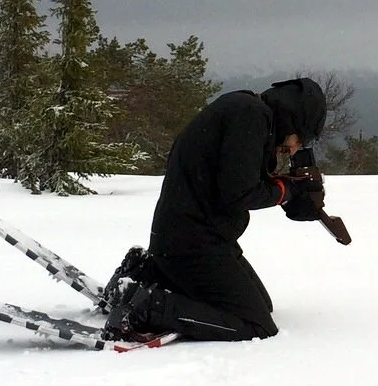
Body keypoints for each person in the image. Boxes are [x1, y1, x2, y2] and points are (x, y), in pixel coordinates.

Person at [101, 77, 328, 343]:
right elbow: (238, 194)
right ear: (293, 120)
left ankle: (144, 274)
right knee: (256, 324)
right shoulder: (251, 117)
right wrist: (287, 191)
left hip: (192, 236)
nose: (296, 148)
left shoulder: (248, 111)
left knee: (262, 306)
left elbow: (237, 180)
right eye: (302, 138)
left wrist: (291, 193)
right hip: (193, 243)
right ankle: (150, 308)